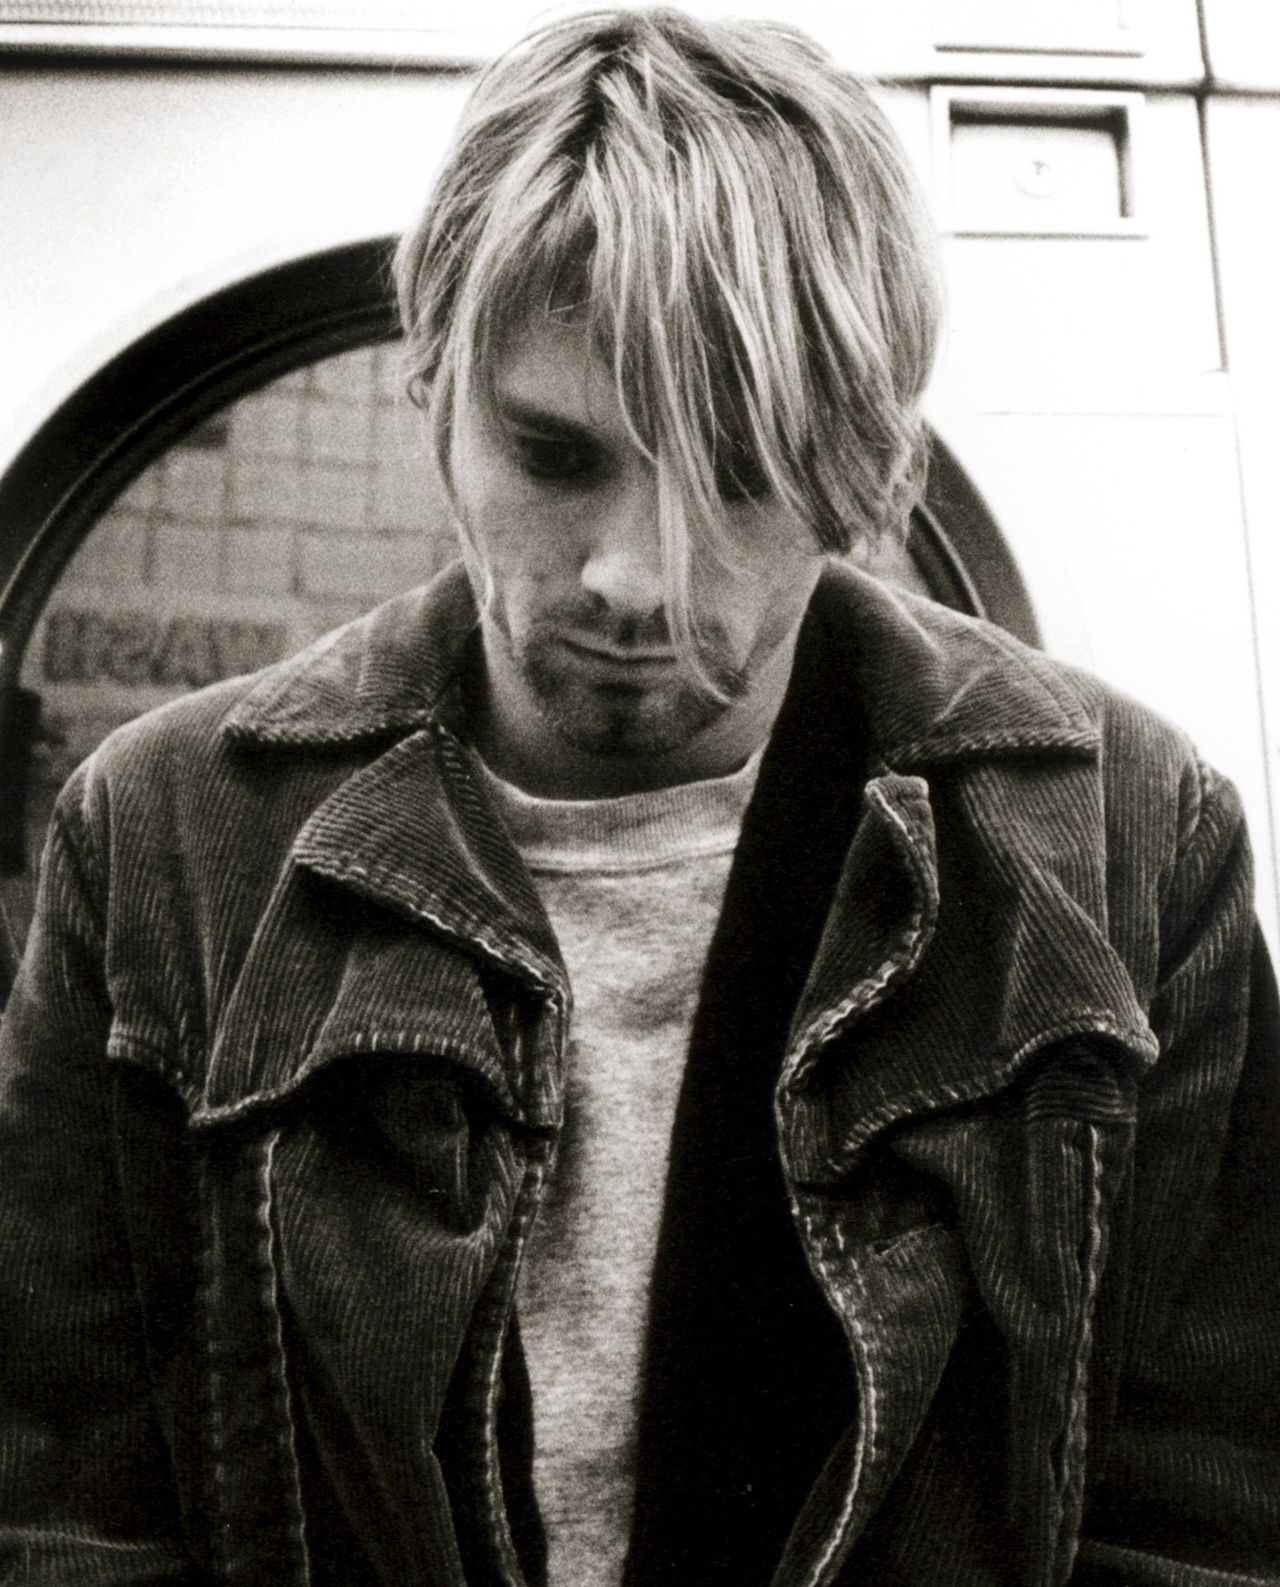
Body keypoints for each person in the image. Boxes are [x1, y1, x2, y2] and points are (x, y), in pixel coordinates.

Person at [1, 8, 1277, 1585]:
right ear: (435, 395)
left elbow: (1208, 1524)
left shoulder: (1127, 839)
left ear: (868, 472)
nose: (630, 575)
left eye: (738, 472)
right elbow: (63, 1516)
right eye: (555, 455)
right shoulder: (166, 837)